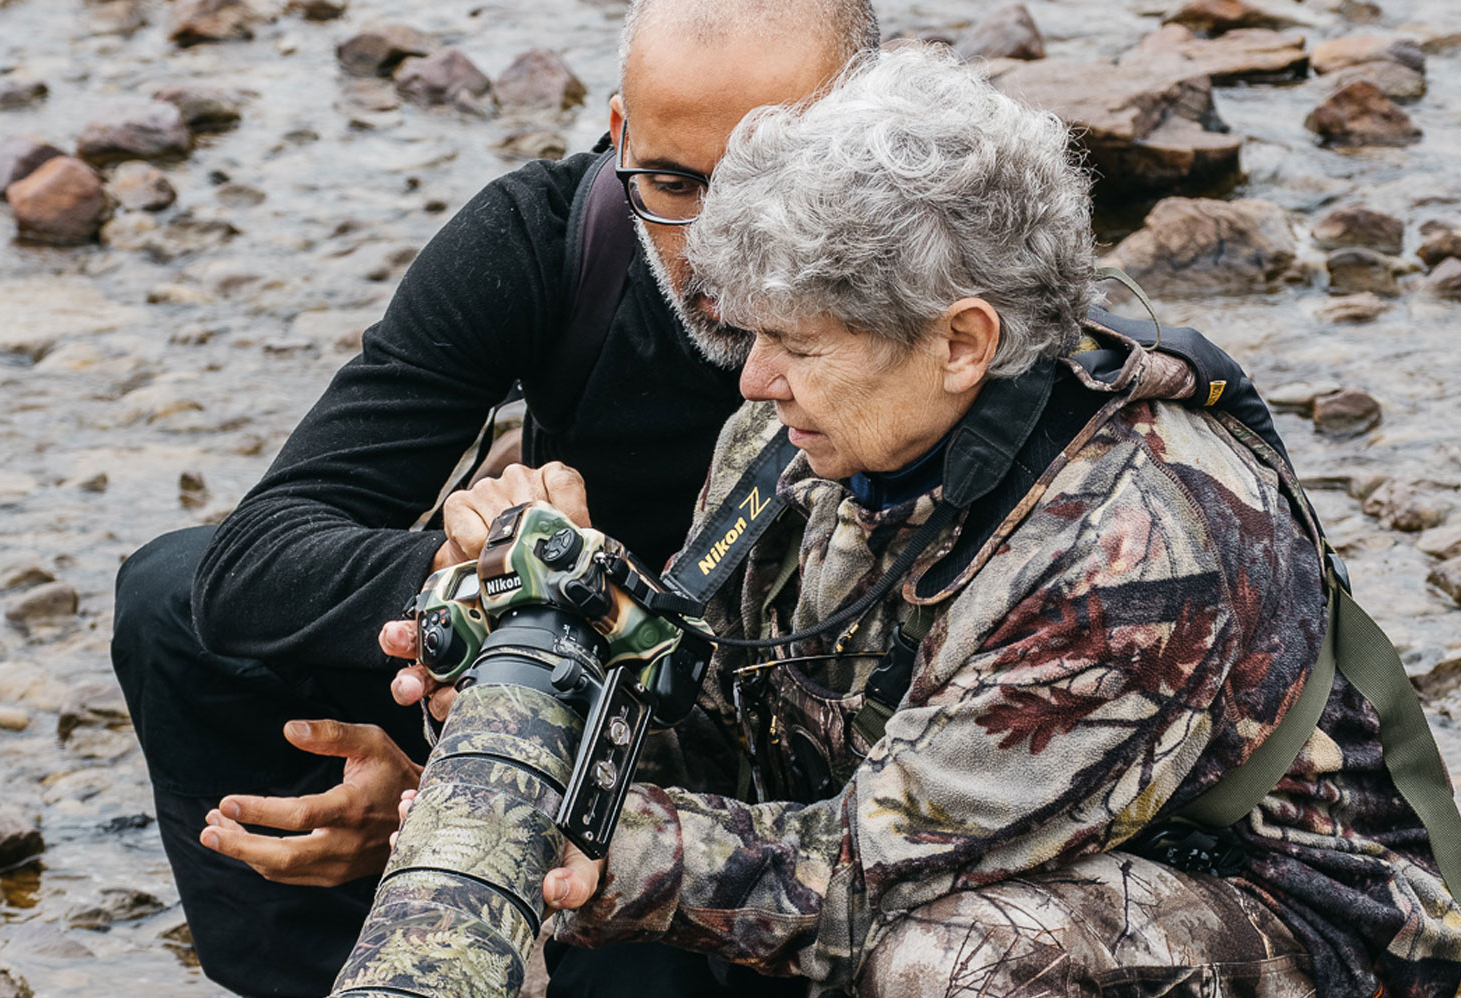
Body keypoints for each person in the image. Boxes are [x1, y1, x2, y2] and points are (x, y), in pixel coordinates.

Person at [497, 46, 1461, 998]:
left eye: (794, 343)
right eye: (753, 334)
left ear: (963, 342)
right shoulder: (796, 433)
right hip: (1008, 841)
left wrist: (585, 861)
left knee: (950, 966)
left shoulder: (1131, 548)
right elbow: (713, 719)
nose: (754, 378)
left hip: (1311, 923)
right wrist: (526, 686)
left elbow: (852, 880)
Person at [109, 1, 880, 994]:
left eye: (771, 183)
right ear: (618, 139)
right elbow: (250, 564)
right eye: (675, 183)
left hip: (771, 756)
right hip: (555, 680)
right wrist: (481, 568)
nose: (724, 249)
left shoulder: (950, 290)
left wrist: (459, 802)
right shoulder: (550, 238)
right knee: (171, 604)